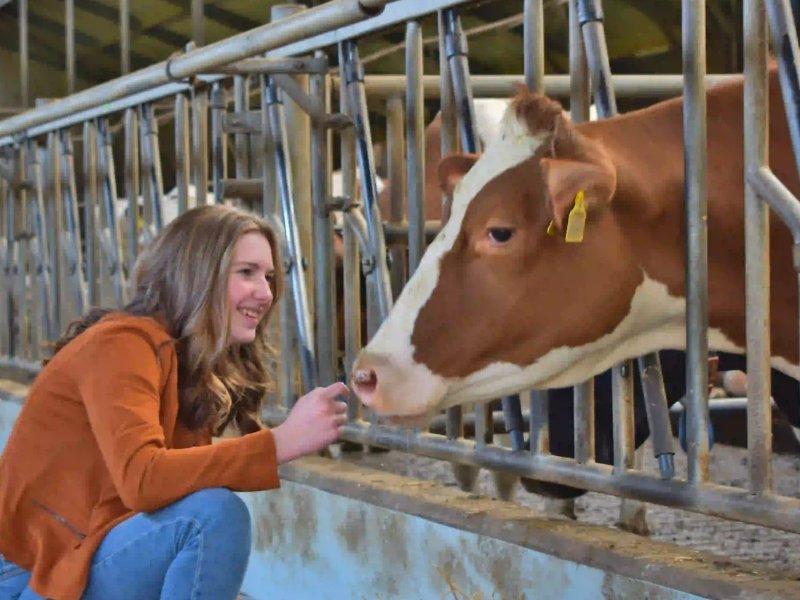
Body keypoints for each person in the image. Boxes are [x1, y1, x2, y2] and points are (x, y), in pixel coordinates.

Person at [0, 204, 348, 600]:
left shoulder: (181, 360)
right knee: (213, 515)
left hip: (76, 564)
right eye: (246, 273)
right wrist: (281, 443)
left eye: (269, 277)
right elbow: (143, 481)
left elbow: (163, 501)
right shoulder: (121, 345)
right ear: (196, 274)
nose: (267, 293)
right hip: (27, 579)